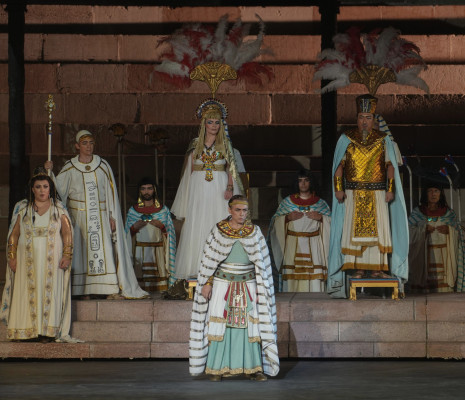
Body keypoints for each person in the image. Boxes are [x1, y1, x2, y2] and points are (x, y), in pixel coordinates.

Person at [44, 130, 148, 299]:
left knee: (103, 250)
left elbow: (111, 194)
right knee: (80, 252)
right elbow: (57, 191)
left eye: (91, 143)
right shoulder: (70, 167)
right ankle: (82, 290)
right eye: (85, 143)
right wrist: (50, 173)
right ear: (77, 146)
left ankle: (107, 288)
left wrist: (112, 215)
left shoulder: (103, 165)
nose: (89, 147)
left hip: (100, 215)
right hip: (78, 218)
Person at [189, 195, 279, 381]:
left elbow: (262, 263)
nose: (241, 214)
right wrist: (207, 283)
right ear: (230, 210)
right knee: (220, 325)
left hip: (248, 284)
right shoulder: (218, 231)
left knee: (251, 327)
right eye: (238, 210)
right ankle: (217, 369)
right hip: (223, 284)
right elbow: (209, 261)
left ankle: (253, 369)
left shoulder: (254, 232)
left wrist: (261, 287)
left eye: (244, 210)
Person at [328, 95, 409, 298]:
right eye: (361, 117)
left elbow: (389, 166)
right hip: (353, 194)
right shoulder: (347, 138)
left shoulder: (383, 140)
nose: (365, 121)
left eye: (369, 117)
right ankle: (358, 268)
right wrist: (338, 188)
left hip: (377, 193)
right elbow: (339, 166)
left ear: (374, 119)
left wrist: (390, 189)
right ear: (357, 118)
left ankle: (377, 268)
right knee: (353, 233)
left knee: (379, 233)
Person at [171, 99, 245, 283]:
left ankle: (221, 266)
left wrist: (229, 187)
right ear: (204, 123)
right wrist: (188, 194)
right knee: (198, 224)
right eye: (210, 122)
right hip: (199, 187)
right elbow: (189, 170)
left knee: (218, 221)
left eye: (217, 122)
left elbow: (231, 169)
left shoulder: (225, 144)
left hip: (220, 187)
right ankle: (198, 267)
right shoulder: (195, 143)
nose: (213, 125)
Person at [1, 170, 77, 342]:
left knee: (50, 293)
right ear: (32, 189)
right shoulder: (23, 209)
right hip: (26, 261)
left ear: (50, 188)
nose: (42, 190)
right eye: (38, 187)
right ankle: (26, 331)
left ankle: (47, 332)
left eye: (45, 186)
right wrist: (11, 256)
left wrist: (67, 254)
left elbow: (67, 233)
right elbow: (14, 234)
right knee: (26, 294)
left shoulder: (58, 209)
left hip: (52, 262)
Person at [268, 169, 331, 292]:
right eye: (300, 181)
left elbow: (333, 224)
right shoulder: (287, 202)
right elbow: (274, 223)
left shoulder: (320, 203)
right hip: (293, 243)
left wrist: (322, 218)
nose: (303, 184)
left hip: (314, 245)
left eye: (306, 180)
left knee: (314, 280)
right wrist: (286, 218)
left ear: (311, 182)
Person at [408, 181, 465, 293]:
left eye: (436, 191)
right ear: (425, 194)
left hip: (445, 256)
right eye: (430, 191)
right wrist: (423, 230)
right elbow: (408, 232)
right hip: (423, 255)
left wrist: (450, 230)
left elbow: (460, 232)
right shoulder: (417, 213)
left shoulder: (449, 213)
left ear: (441, 194)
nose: (433, 194)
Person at [125, 177, 176, 292]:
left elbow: (171, 234)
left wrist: (162, 227)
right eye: (143, 189)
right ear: (139, 191)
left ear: (154, 190)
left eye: (149, 188)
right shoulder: (133, 211)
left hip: (158, 251)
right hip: (139, 251)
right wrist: (134, 228)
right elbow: (126, 235)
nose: (146, 192)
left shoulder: (163, 211)